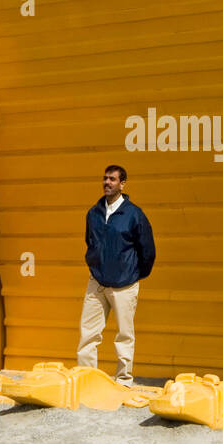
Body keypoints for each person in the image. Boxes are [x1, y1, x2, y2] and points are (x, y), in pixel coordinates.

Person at [78, 164, 155, 386]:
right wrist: (94, 264)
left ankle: (123, 380)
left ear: (122, 184)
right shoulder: (93, 213)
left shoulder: (134, 214)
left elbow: (147, 250)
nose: (107, 183)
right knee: (88, 334)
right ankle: (87, 380)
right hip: (97, 283)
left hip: (124, 285)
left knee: (124, 336)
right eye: (105, 178)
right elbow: (89, 242)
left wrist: (134, 274)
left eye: (112, 179)